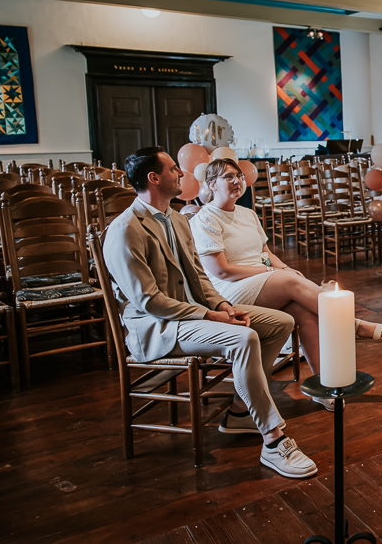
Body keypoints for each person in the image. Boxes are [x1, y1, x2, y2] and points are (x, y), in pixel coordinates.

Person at [103, 147, 317, 479]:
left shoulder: (175, 218)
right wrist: (209, 317)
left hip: (195, 312)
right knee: (244, 338)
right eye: (174, 169)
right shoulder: (125, 229)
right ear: (154, 178)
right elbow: (149, 302)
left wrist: (223, 306)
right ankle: (274, 441)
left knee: (281, 322)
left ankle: (240, 412)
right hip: (159, 327)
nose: (182, 174)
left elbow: (199, 277)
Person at [191, 158, 382, 410]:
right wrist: (272, 271)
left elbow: (265, 251)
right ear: (211, 184)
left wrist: (285, 268)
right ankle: (351, 324)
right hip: (230, 290)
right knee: (288, 280)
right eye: (228, 177)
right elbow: (221, 271)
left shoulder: (248, 213)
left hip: (262, 279)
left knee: (303, 311)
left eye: (239, 176)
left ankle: (324, 386)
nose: (237, 181)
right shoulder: (206, 218)